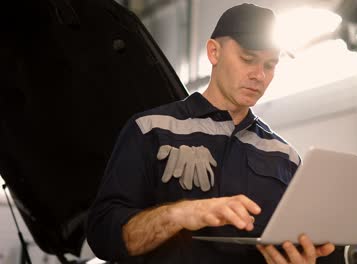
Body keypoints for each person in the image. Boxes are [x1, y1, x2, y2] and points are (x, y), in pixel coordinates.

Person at [86, 3, 335, 263]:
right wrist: (179, 214)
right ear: (214, 52)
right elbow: (104, 236)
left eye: (270, 65)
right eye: (248, 59)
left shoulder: (284, 157)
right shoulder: (151, 130)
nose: (259, 75)